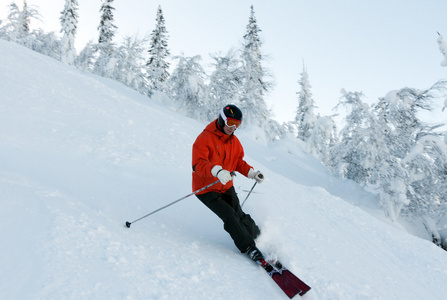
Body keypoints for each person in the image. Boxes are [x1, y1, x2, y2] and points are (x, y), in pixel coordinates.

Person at [192, 104, 265, 261]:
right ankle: (249, 247)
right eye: (230, 123)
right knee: (230, 215)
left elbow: (238, 162)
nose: (233, 128)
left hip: (226, 186)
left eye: (237, 124)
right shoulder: (204, 138)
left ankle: (257, 234)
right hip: (206, 189)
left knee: (239, 213)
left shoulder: (235, 142)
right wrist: (216, 171)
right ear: (222, 119)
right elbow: (198, 164)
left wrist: (252, 173)